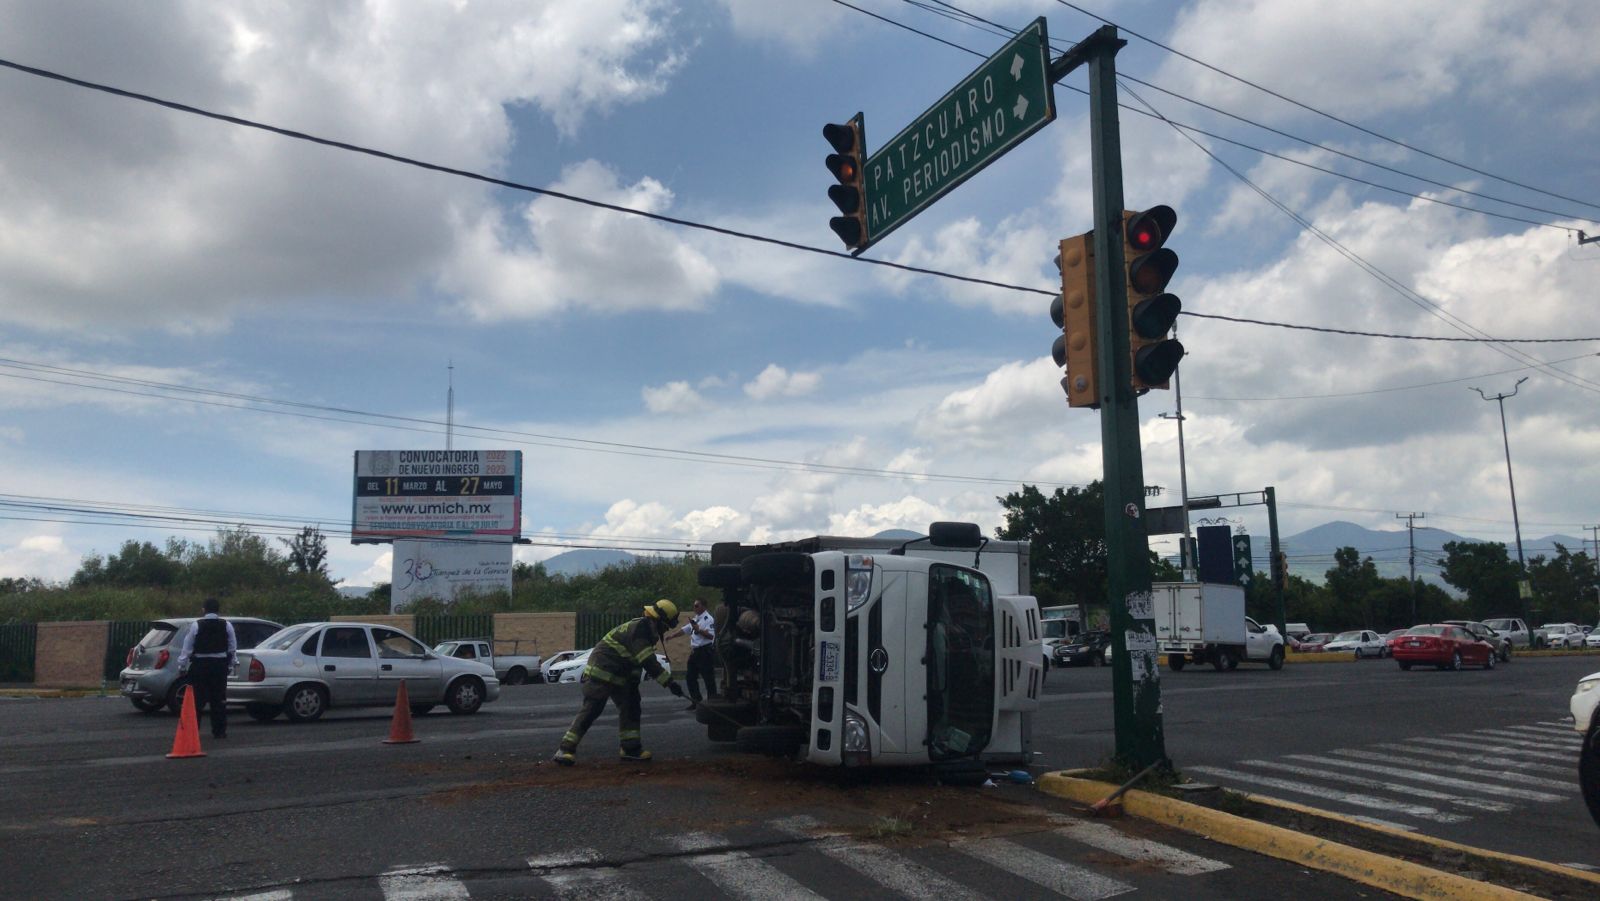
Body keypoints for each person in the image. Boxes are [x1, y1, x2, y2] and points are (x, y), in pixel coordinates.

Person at [553, 600, 685, 766]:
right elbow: (647, 661)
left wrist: (633, 686)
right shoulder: (641, 630)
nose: (665, 630)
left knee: (631, 705)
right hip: (602, 671)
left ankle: (631, 749)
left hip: (620, 675)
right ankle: (565, 750)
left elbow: (634, 662)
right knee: (593, 708)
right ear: (659, 620)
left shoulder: (646, 630)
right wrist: (670, 683)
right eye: (666, 626)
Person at [176, 597, 237, 740]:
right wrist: (231, 664)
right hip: (219, 665)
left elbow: (187, 647)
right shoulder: (226, 625)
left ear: (203, 609)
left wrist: (182, 665)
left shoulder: (196, 625)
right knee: (219, 699)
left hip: (200, 665)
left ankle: (193, 731)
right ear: (218, 610)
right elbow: (232, 647)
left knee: (197, 700)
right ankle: (219, 731)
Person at [678, 598, 717, 705]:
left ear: (703, 607)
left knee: (708, 678)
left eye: (696, 606)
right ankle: (696, 701)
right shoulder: (697, 618)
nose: (694, 608)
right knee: (690, 677)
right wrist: (672, 636)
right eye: (694, 606)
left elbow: (711, 636)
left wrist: (698, 630)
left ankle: (712, 701)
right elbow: (685, 629)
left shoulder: (709, 619)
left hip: (705, 651)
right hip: (695, 652)